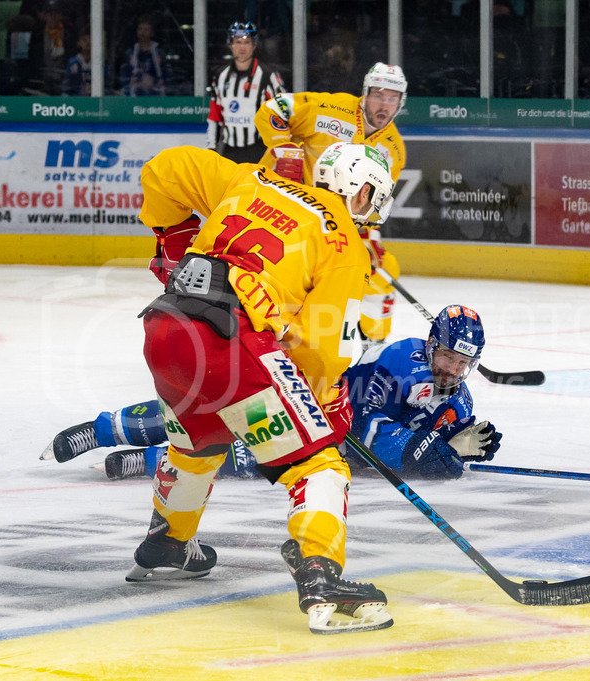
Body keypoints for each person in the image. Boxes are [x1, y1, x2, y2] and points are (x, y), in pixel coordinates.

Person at [122, 141, 396, 635]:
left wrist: (176, 238)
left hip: (166, 329)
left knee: (196, 443)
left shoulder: (250, 179)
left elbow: (165, 168)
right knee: (316, 462)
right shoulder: (343, 242)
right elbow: (319, 347)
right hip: (230, 343)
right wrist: (320, 404)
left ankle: (168, 541)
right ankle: (321, 577)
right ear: (362, 193)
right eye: (374, 201)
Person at [43, 306, 503, 481]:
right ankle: (101, 429)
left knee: (241, 457)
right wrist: (437, 452)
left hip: (330, 445)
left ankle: (140, 463)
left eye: (465, 363)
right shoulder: (398, 359)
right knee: (211, 415)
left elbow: (447, 438)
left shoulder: (458, 395)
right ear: (431, 344)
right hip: (310, 401)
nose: (454, 369)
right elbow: (372, 428)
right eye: (448, 357)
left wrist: (466, 443)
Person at [255, 62, 408, 352]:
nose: (383, 104)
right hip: (282, 208)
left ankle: (373, 350)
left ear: (401, 101)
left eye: (392, 97)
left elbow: (371, 206)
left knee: (382, 271)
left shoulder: (394, 150)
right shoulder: (330, 108)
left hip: (327, 226)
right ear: (365, 93)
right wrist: (283, 148)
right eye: (378, 94)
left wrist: (369, 241)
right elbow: (275, 108)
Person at [206, 21, 285, 163]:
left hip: (258, 151)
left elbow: (283, 113)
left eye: (246, 42)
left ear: (254, 45)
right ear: (230, 45)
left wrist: (280, 149)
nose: (242, 47)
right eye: (237, 42)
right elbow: (215, 116)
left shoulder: (267, 76)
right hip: (229, 152)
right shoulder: (220, 76)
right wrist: (211, 148)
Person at [119, 16, 173, 96]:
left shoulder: (159, 53)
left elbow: (167, 76)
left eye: (146, 29)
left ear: (152, 33)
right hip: (134, 97)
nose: (142, 32)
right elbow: (124, 77)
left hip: (155, 97)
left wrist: (154, 83)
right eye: (140, 29)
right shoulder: (130, 53)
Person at [61, 26, 96, 96]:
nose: (88, 43)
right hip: (77, 102)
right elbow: (67, 87)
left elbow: (106, 86)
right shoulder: (73, 63)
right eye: (84, 40)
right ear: (79, 43)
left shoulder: (100, 63)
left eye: (91, 40)